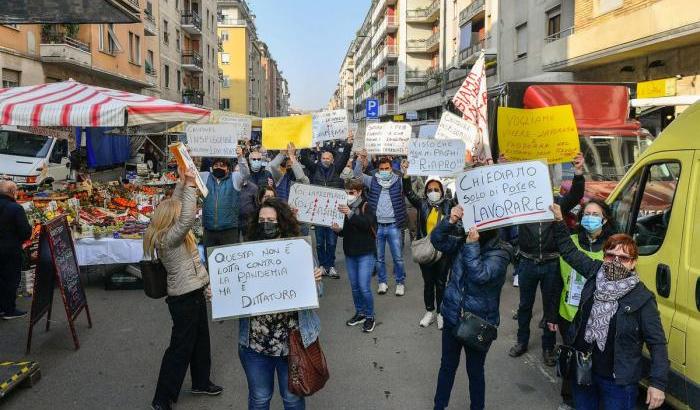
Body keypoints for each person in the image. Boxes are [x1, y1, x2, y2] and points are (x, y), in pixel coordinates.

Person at [548, 203, 668, 410]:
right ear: (604, 258)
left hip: (617, 382)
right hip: (584, 370)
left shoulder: (643, 298)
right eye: (611, 256)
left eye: (623, 258)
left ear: (633, 263)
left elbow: (657, 343)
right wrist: (559, 221)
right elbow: (568, 250)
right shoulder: (595, 272)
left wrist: (658, 384)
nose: (615, 262)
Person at [144, 167, 222, 410]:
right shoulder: (168, 238)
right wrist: (189, 185)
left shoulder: (167, 232)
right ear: (170, 219)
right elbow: (186, 217)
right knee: (180, 348)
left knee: (200, 341)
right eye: (175, 215)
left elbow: (176, 206)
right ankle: (162, 398)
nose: (179, 216)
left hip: (193, 292)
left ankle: (200, 381)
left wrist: (180, 182)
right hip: (184, 298)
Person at [239, 198, 323, 410]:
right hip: (255, 343)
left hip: (292, 342)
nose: (266, 223)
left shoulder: (299, 249)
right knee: (259, 398)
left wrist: (316, 280)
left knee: (292, 399)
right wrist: (218, 293)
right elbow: (233, 292)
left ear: (282, 221)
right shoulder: (245, 252)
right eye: (262, 219)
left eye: (271, 220)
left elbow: (318, 293)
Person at [431, 205, 514, 410]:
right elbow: (437, 241)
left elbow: (480, 276)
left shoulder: (501, 252)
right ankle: (439, 406)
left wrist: (472, 245)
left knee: (475, 372)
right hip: (452, 315)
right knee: (447, 367)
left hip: (478, 323)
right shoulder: (463, 239)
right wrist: (450, 221)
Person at [509, 153, 585, 367]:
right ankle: (521, 341)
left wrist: (578, 172)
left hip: (552, 263)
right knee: (525, 306)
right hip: (527, 263)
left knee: (551, 308)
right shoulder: (520, 205)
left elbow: (577, 194)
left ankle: (548, 347)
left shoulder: (558, 204)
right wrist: (502, 168)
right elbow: (497, 197)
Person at [552, 199, 616, 409]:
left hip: (597, 318)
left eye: (595, 214)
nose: (590, 217)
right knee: (572, 359)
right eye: (587, 213)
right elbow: (555, 281)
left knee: (595, 362)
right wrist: (551, 315)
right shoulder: (570, 241)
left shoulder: (614, 248)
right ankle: (568, 399)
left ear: (605, 219)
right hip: (569, 313)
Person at [401, 160, 452, 329]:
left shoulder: (448, 204)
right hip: (425, 250)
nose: (433, 192)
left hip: (443, 252)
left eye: (436, 189)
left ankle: (441, 314)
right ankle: (429, 311)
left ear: (442, 191)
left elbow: (463, 199)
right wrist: (406, 174)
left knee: (441, 283)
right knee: (428, 283)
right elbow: (408, 191)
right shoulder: (422, 203)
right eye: (430, 190)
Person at [299, 134, 353, 279]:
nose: (325, 160)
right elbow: (304, 159)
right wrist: (305, 143)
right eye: (323, 158)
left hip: (333, 213)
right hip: (318, 213)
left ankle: (331, 266)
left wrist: (348, 144)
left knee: (331, 240)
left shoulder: (337, 170)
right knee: (319, 241)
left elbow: (345, 156)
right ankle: (322, 265)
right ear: (320, 159)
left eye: (328, 158)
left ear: (332, 160)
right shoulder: (314, 169)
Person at [354, 156, 407, 296]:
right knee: (379, 258)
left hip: (394, 225)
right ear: (378, 169)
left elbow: (408, 188)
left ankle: (400, 282)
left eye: (387, 168)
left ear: (391, 169)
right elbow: (357, 175)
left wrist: (405, 170)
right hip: (377, 226)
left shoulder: (399, 181)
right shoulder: (372, 181)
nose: (384, 171)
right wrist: (360, 159)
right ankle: (382, 282)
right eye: (381, 169)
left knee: (398, 258)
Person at [332, 179, 377, 333]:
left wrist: (350, 214)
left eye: (351, 193)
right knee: (355, 287)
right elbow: (344, 232)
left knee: (364, 287)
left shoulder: (366, 206)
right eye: (346, 192)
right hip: (350, 253)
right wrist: (337, 230)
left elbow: (366, 224)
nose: (348, 195)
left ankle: (370, 316)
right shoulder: (344, 208)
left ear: (358, 192)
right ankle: (361, 313)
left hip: (366, 253)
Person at [202, 149, 248, 251]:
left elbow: (245, 174)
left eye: (222, 165)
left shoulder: (234, 178)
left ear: (228, 169)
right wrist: (186, 155)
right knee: (210, 262)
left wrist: (240, 157)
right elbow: (191, 171)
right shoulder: (205, 177)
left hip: (229, 231)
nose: (219, 167)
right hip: (209, 230)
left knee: (229, 263)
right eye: (216, 165)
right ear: (212, 167)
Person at [0, 180, 32, 320]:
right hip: (10, 250)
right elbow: (25, 233)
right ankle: (9, 310)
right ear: (12, 192)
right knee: (11, 279)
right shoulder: (15, 208)